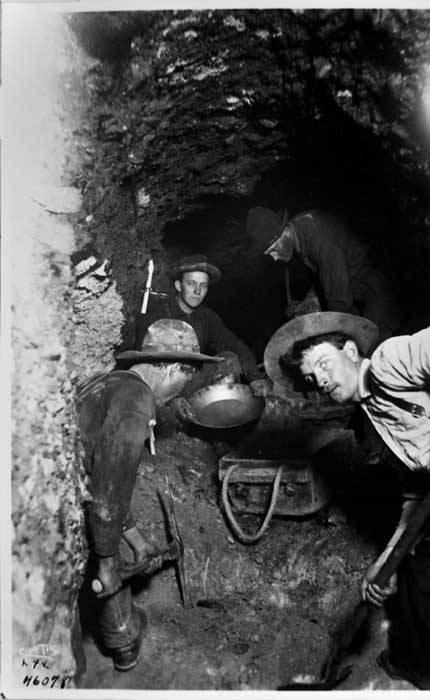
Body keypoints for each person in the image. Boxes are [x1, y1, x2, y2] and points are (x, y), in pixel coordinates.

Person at [266, 311, 430, 690]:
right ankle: (423, 669)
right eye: (313, 378)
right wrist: (383, 566)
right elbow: (415, 495)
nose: (322, 380)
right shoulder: (374, 415)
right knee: (424, 562)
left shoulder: (386, 363)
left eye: (324, 364)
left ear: (351, 350)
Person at [77, 319, 221, 671]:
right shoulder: (137, 398)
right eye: (184, 381)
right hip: (59, 516)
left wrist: (136, 540)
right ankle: (116, 645)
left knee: (107, 544)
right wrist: (109, 560)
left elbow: (103, 476)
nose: (178, 393)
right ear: (173, 368)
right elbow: (109, 484)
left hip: (73, 493)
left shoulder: (110, 383)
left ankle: (122, 638)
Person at [246, 207, 400, 342]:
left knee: (372, 349)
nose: (274, 257)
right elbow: (325, 272)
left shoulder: (319, 238)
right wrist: (312, 298)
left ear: (283, 232)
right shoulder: (301, 231)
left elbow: (339, 300)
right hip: (354, 286)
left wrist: (324, 335)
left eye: (273, 249)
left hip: (377, 287)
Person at [135, 254, 270, 408]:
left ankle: (222, 416)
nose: (198, 291)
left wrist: (255, 377)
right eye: (191, 284)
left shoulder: (207, 318)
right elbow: (143, 368)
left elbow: (233, 344)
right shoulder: (157, 315)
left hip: (190, 382)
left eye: (203, 285)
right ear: (179, 286)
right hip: (158, 390)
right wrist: (170, 400)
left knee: (229, 359)